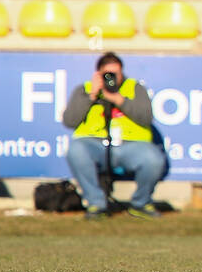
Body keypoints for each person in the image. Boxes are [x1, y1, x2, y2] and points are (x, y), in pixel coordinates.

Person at [62, 52, 166, 219]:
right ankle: (96, 205)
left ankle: (140, 203)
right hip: (95, 146)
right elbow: (69, 121)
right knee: (76, 150)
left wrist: (118, 99)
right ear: (98, 74)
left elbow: (146, 117)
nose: (112, 78)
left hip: (130, 147)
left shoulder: (134, 88)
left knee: (153, 159)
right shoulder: (85, 90)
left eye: (116, 74)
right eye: (107, 74)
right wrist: (91, 96)